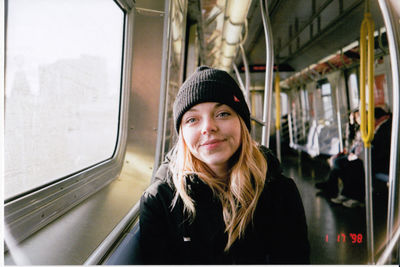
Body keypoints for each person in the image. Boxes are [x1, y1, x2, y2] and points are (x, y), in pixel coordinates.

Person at [139, 66, 310, 264]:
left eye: (222, 114)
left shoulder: (279, 193)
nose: (208, 127)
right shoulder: (160, 200)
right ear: (182, 134)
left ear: (242, 123)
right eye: (192, 119)